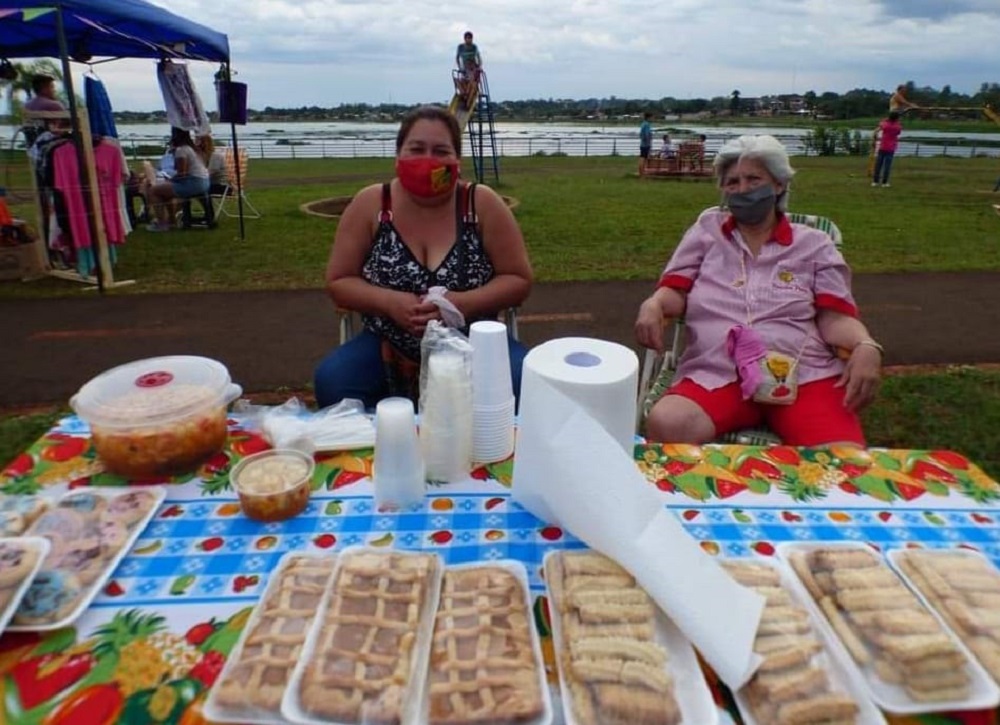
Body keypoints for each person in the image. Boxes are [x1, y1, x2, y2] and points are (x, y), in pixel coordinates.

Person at [634, 134, 882, 447]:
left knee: (842, 457)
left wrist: (865, 344)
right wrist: (655, 304)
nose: (742, 189)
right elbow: (676, 291)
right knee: (668, 423)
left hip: (801, 374)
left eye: (754, 179)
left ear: (779, 184)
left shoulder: (815, 244)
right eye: (732, 182)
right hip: (718, 372)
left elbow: (835, 316)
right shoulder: (706, 232)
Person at [314, 106, 533, 409]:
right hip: (387, 344)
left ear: (457, 160)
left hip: (473, 342)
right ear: (398, 155)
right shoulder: (372, 204)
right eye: (416, 149)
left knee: (525, 381)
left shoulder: (481, 204)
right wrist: (389, 303)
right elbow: (339, 281)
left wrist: (462, 304)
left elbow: (518, 279)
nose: (428, 159)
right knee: (333, 380)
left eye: (441, 151)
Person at [144, 127, 210, 232]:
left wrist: (170, 180)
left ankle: (162, 224)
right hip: (204, 182)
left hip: (193, 183)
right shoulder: (193, 149)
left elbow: (182, 173)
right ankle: (171, 220)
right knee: (165, 191)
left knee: (153, 191)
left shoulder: (182, 150)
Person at [872, 111, 902, 187]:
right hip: (891, 148)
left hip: (883, 147)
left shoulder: (885, 124)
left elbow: (879, 127)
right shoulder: (897, 126)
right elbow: (898, 132)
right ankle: (884, 183)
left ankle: (875, 182)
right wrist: (896, 122)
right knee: (887, 166)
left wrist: (886, 120)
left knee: (878, 165)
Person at [455, 31, 482, 105]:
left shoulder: (474, 47)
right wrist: (460, 67)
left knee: (471, 82)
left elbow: (479, 57)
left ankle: (467, 97)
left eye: (470, 38)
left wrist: (479, 66)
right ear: (465, 39)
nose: (469, 40)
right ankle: (464, 94)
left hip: (473, 68)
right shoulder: (460, 47)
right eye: (467, 38)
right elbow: (457, 58)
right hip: (465, 69)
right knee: (457, 80)